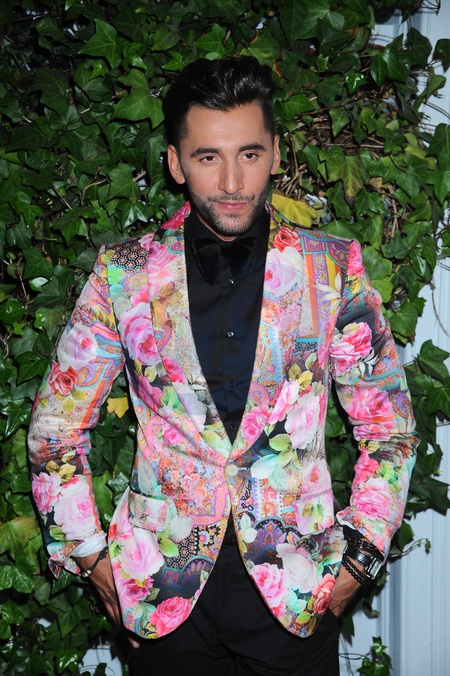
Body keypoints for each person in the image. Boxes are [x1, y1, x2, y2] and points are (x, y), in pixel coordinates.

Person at [28, 56, 419, 676]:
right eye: (208, 157)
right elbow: (56, 429)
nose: (233, 181)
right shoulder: (123, 274)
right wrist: (89, 557)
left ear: (276, 153)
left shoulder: (332, 268)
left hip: (299, 592)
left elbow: (388, 428)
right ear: (175, 162)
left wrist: (358, 562)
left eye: (250, 154)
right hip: (162, 593)